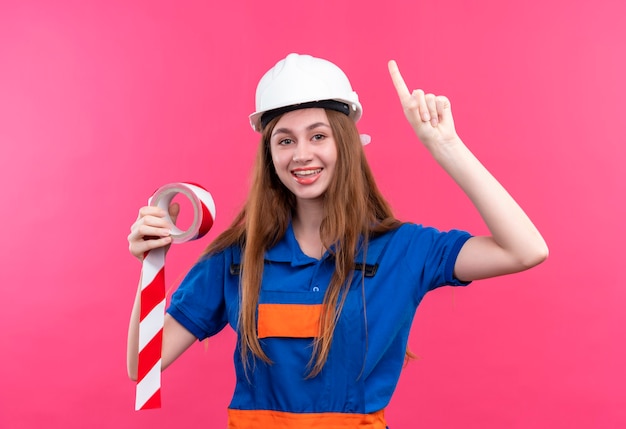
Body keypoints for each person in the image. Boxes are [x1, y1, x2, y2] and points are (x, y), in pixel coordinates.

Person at [127, 53, 548, 428]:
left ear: (346, 145)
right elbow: (142, 366)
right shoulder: (236, 257)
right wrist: (152, 262)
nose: (301, 154)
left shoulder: (403, 249)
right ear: (270, 156)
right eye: (285, 140)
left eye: (318, 135)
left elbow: (525, 250)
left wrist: (446, 146)